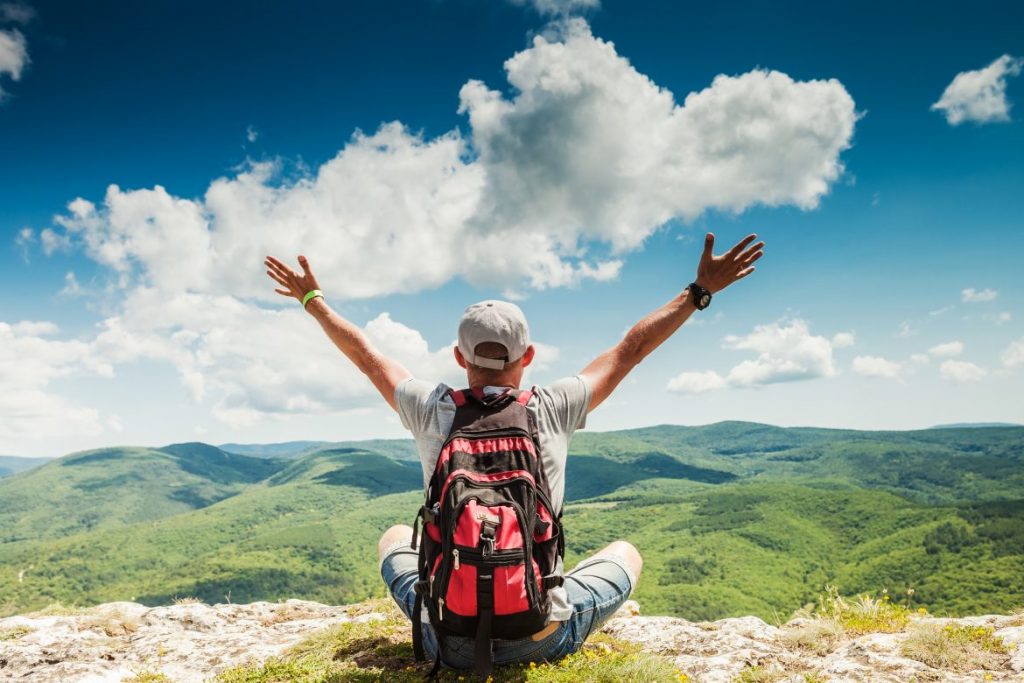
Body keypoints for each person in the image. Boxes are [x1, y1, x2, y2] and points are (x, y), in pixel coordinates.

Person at [263, 231, 763, 670]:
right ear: (529, 356)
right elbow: (628, 350)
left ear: (460, 357)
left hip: (448, 641)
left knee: (395, 535)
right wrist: (698, 292)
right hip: (539, 637)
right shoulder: (553, 406)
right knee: (624, 553)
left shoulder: (429, 408)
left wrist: (313, 299)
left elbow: (369, 358)